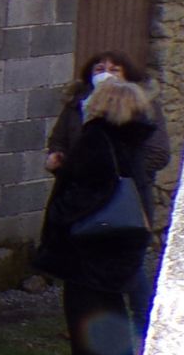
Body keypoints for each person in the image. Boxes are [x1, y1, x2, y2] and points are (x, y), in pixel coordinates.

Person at [34, 76, 157, 355]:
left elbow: (90, 188)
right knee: (111, 300)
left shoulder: (96, 138)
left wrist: (62, 216)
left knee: (83, 306)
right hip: (124, 234)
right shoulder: (132, 137)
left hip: (93, 240)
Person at [46, 51, 170, 340]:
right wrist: (61, 161)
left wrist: (114, 172)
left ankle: (143, 327)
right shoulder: (77, 107)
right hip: (85, 198)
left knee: (129, 264)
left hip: (127, 198)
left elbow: (157, 153)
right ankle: (92, 328)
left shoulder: (142, 109)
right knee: (87, 265)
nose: (106, 73)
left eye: (114, 69)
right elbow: (60, 141)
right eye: (100, 68)